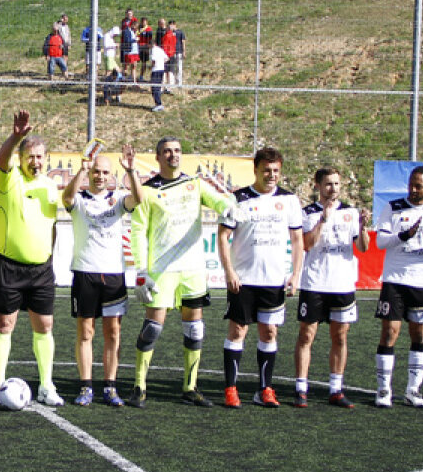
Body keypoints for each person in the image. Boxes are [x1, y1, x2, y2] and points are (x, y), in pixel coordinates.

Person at [127, 138, 235, 409]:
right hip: (161, 270)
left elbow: (218, 201)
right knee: (152, 328)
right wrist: (140, 271)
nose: (172, 155)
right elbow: (138, 231)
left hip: (193, 269)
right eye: (167, 151)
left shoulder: (195, 184)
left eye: (176, 151)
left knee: (194, 329)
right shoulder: (148, 191)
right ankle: (139, 386)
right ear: (157, 157)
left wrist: (229, 208)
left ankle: (190, 387)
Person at [0, 110, 63, 407]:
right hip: (8, 265)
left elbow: (52, 225)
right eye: (30, 156)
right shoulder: (10, 177)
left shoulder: (50, 185)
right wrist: (16, 136)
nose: (35, 162)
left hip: (41, 269)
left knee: (44, 326)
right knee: (5, 324)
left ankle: (46, 385)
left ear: (47, 159)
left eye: (40, 157)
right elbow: (2, 158)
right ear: (21, 159)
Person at [217, 147, 304, 409]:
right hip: (243, 279)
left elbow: (298, 240)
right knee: (238, 330)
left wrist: (295, 274)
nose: (271, 175)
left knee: (269, 332)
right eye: (266, 170)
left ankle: (264, 389)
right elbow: (222, 236)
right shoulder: (238, 198)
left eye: (276, 170)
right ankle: (231, 388)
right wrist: (229, 271)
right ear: (255, 169)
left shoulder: (289, 200)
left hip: (274, 280)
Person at [62, 146, 143, 406]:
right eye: (96, 171)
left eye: (105, 172)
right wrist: (81, 171)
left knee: (113, 332)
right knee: (86, 332)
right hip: (85, 272)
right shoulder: (79, 199)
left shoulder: (118, 200)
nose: (100, 176)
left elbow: (138, 199)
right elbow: (65, 198)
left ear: (111, 175)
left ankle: (110, 387)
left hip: (113, 276)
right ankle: (86, 386)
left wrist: (131, 170)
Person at [372, 165, 423, 409]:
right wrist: (403, 236)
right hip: (395, 281)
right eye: (411, 184)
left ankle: (412, 390)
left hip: (421, 282)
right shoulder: (393, 208)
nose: (413, 189)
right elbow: (381, 241)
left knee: (419, 335)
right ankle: (383, 390)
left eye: (419, 186)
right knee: (389, 333)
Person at [291, 168, 370, 409]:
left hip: (342, 284)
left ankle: (336, 389)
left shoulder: (350, 212)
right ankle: (301, 388)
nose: (333, 189)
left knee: (340, 335)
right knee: (307, 335)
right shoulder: (308, 213)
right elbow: (306, 244)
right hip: (315, 283)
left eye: (336, 184)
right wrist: (323, 219)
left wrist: (363, 227)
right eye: (327, 184)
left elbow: (363, 247)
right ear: (317, 186)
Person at [155, 18, 177, 91]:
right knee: (170, 71)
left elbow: (164, 46)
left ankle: (162, 86)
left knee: (164, 71)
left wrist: (163, 55)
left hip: (166, 55)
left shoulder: (166, 36)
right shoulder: (174, 36)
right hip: (172, 55)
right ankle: (169, 87)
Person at [149, 40, 168, 112]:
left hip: (156, 70)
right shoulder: (160, 49)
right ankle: (158, 104)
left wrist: (151, 67)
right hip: (161, 70)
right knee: (158, 87)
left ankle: (159, 104)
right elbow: (166, 58)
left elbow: (153, 60)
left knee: (154, 88)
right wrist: (161, 63)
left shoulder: (153, 50)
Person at [137, 17, 153, 81]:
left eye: (145, 21)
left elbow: (150, 39)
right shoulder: (139, 29)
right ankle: (132, 75)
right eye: (142, 21)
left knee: (144, 62)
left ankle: (141, 75)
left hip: (145, 47)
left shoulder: (148, 29)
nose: (143, 23)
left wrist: (148, 46)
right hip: (138, 47)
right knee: (134, 62)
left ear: (147, 22)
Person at [171, 20, 186, 87]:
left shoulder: (180, 32)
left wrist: (184, 51)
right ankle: (173, 82)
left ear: (175, 24)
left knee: (179, 67)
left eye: (172, 25)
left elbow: (183, 42)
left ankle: (179, 83)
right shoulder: (170, 33)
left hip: (179, 52)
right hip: (172, 52)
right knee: (172, 68)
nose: (171, 26)